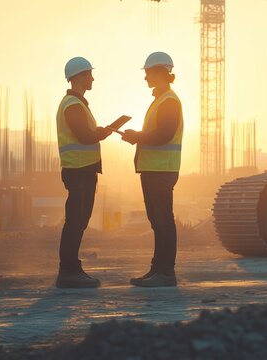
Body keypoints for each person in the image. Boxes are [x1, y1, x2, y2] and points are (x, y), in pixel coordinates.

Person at [122, 51, 183, 287]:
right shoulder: (161, 100)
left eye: (147, 73)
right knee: (157, 221)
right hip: (153, 169)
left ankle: (166, 272)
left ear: (159, 73)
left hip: (161, 170)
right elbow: (156, 134)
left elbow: (164, 135)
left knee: (163, 220)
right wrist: (137, 137)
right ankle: (158, 269)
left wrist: (138, 137)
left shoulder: (168, 101)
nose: (145, 78)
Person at [55, 56, 113, 288]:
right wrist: (103, 132)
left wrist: (101, 131)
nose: (92, 78)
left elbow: (84, 133)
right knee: (76, 221)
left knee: (78, 221)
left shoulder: (76, 104)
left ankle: (71, 268)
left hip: (81, 171)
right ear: (78, 77)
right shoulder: (73, 105)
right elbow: (84, 136)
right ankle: (68, 271)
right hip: (79, 172)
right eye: (89, 74)